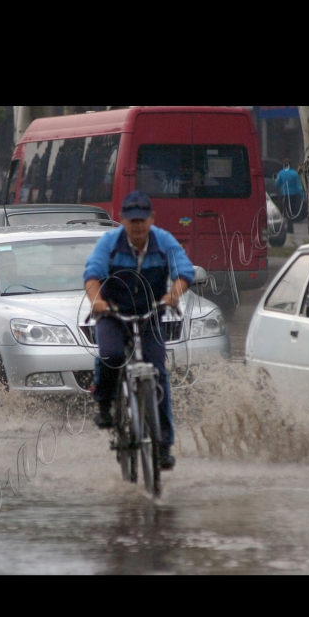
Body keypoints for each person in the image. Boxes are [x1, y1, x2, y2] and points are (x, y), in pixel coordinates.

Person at [84, 191, 195, 471]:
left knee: (158, 372)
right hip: (113, 313)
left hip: (150, 314)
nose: (137, 226)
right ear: (122, 220)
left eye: (142, 220)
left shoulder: (164, 241)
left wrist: (174, 294)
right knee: (110, 355)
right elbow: (92, 274)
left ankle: (163, 445)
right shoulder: (109, 242)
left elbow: (184, 272)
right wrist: (97, 300)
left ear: (151, 220)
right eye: (132, 220)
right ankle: (105, 405)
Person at [274, 159, 305, 234]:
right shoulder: (294, 173)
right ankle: (290, 227)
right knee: (291, 211)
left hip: (284, 195)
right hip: (293, 195)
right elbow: (298, 186)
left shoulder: (280, 173)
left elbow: (276, 184)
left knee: (285, 211)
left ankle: (289, 227)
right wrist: (302, 196)